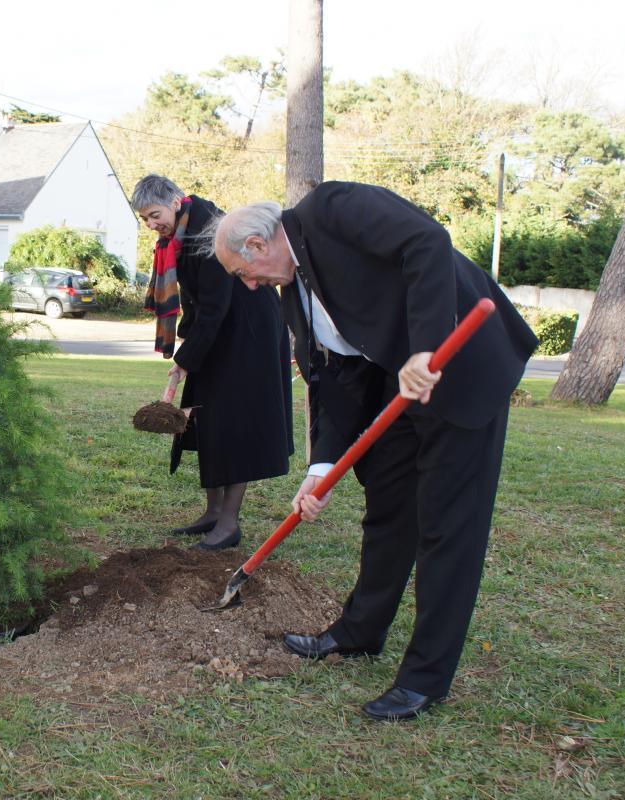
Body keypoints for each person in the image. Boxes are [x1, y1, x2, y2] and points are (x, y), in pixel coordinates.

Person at [211, 183, 538, 721]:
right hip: (396, 383)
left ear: (256, 244)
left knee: (446, 526)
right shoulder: (292, 292)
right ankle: (360, 632)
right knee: (389, 507)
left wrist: (426, 348)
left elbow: (427, 242)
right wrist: (321, 468)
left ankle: (425, 678)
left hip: (460, 366)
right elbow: (331, 378)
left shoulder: (331, 208)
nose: (248, 285)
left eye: (242, 272)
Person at [132, 174, 292, 551]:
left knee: (235, 422)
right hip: (221, 330)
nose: (152, 225)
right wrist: (190, 346)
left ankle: (229, 523)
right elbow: (200, 301)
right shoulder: (180, 234)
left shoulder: (207, 229)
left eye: (154, 215)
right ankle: (213, 512)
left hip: (248, 334)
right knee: (207, 418)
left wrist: (186, 359)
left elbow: (216, 306)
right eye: (145, 220)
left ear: (174, 201)